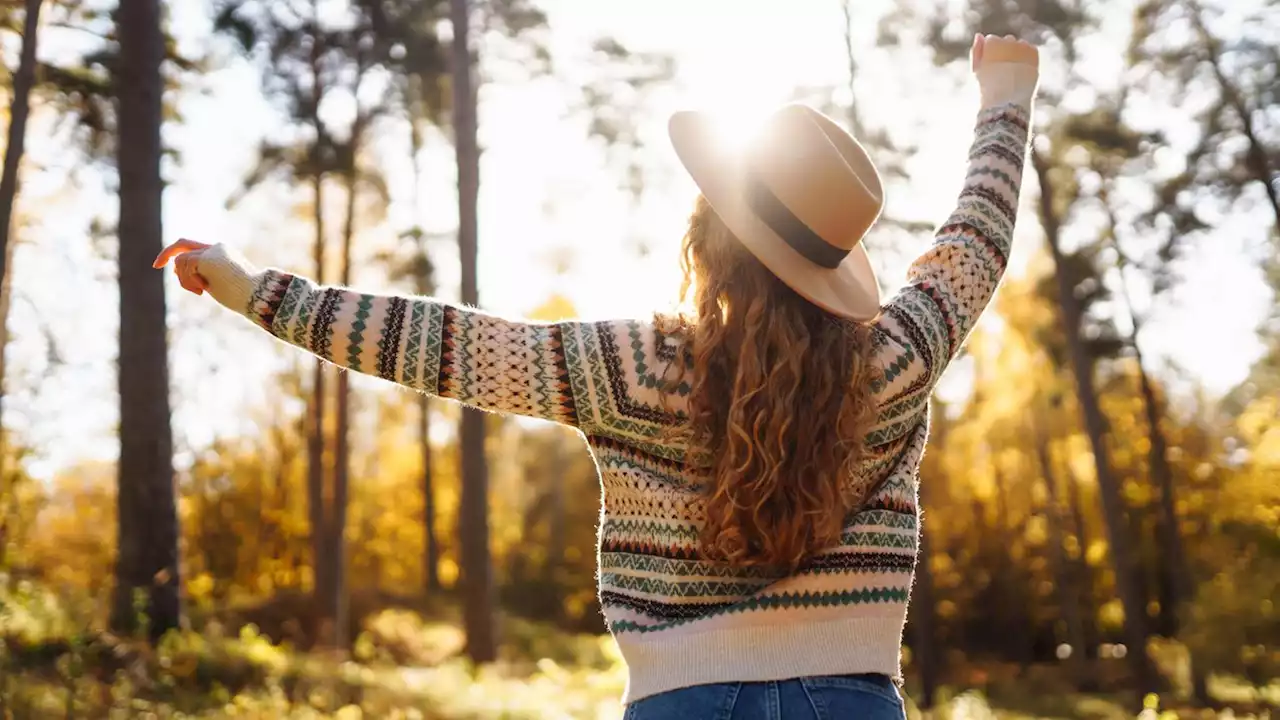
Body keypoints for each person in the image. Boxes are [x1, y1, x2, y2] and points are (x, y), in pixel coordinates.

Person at [157, 31, 1038, 720]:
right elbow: (975, 241)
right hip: (852, 700)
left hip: (681, 704)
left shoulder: (629, 368)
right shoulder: (894, 359)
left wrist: (253, 290)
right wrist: (1006, 96)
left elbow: (436, 342)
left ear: (708, 240)